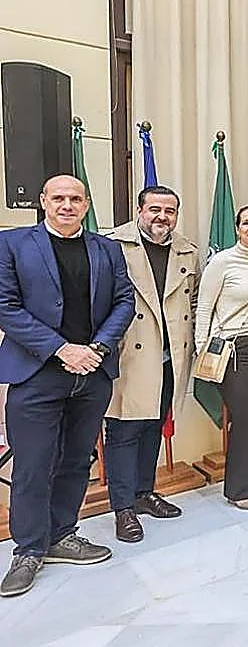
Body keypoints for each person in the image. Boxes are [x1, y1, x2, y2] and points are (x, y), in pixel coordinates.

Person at [0, 175, 135, 598]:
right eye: (58, 198)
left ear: (87, 204)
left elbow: (125, 301)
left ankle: (62, 534)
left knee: (77, 460)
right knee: (32, 466)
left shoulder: (107, 249)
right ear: (42, 201)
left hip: (92, 374)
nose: (66, 205)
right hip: (37, 373)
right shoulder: (13, 244)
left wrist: (97, 346)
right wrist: (62, 349)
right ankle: (28, 549)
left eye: (75, 198)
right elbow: (6, 306)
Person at [103, 185, 199, 543]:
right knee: (124, 431)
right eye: (155, 209)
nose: (162, 217)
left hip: (170, 355)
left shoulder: (187, 250)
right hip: (130, 355)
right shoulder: (112, 245)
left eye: (170, 211)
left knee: (153, 427)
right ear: (140, 210)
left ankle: (144, 493)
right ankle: (123, 508)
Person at [195, 204, 248, 511]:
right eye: (246, 223)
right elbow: (204, 307)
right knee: (243, 416)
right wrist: (202, 347)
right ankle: (240, 490)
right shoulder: (222, 261)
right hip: (232, 348)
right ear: (238, 228)